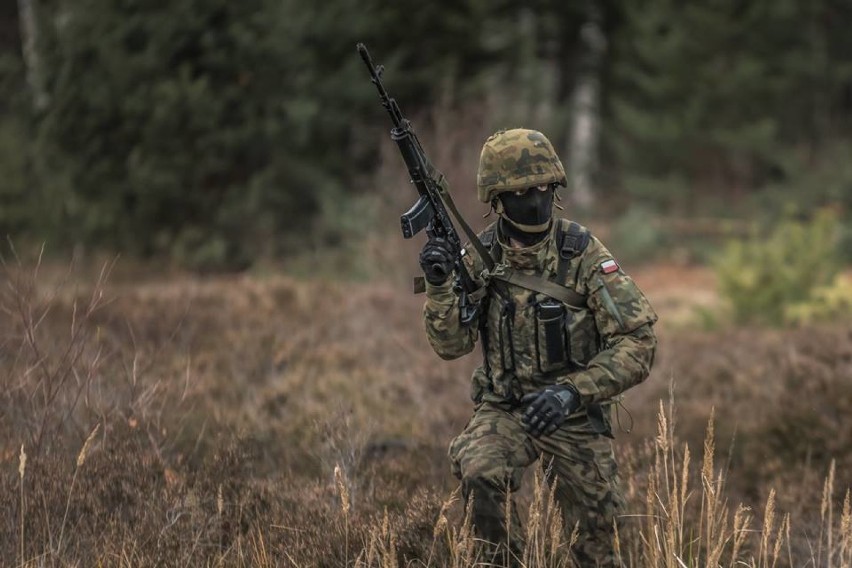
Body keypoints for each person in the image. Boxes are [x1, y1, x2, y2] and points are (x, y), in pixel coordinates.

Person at [419, 128, 658, 567]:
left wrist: (573, 391)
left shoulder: (580, 253)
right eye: (521, 191)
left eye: (545, 187)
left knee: (600, 546)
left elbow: (638, 342)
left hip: (572, 410)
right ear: (498, 199)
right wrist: (439, 286)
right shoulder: (480, 256)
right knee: (479, 471)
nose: (535, 199)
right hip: (506, 408)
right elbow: (451, 346)